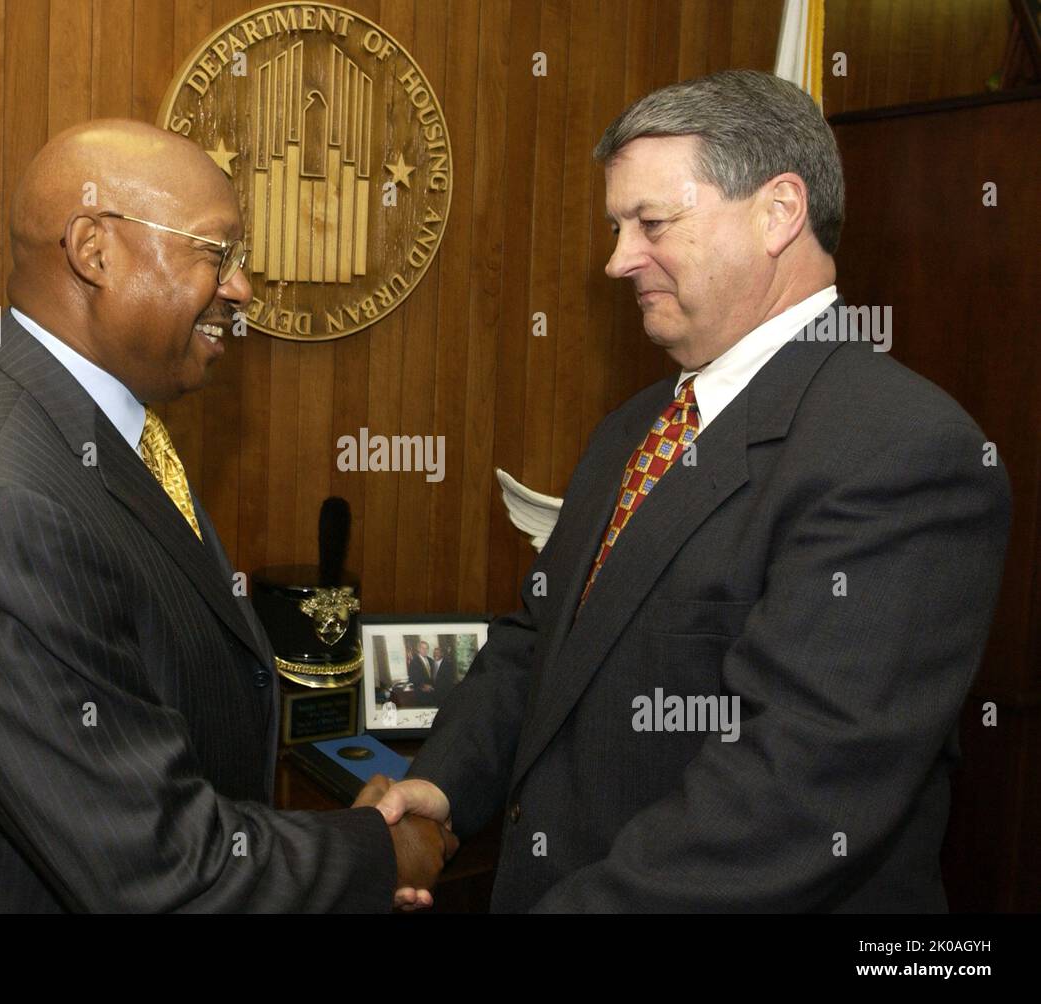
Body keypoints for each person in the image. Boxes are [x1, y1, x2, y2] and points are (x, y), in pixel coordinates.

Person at [377, 70, 1011, 912]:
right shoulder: (635, 426)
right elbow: (541, 641)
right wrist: (444, 787)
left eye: (652, 223)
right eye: (615, 226)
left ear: (780, 211)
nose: (616, 259)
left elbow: (796, 792)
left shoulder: (902, 450)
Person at [0, 119, 454, 912]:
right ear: (94, 251)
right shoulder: (8, 507)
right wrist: (379, 854)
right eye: (215, 253)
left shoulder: (94, 422)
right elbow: (159, 870)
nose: (242, 288)